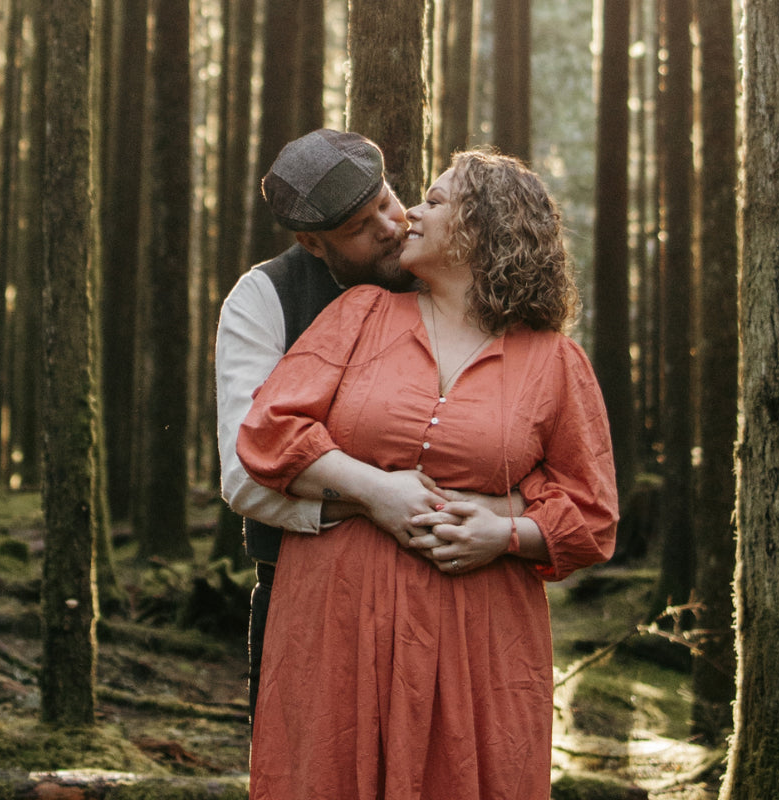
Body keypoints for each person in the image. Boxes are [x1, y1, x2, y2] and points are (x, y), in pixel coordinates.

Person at [236, 148, 619, 799]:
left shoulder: (555, 363)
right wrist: (374, 491)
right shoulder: (360, 315)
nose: (410, 213)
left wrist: (504, 534)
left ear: (483, 228)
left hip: (478, 635)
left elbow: (591, 516)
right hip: (337, 616)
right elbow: (269, 432)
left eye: (435, 201)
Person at [215, 129, 513, 722]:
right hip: (307, 599)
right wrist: (377, 497)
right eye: (358, 226)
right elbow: (244, 476)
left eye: (385, 201)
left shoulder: (450, 270)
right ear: (312, 242)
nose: (389, 226)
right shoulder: (265, 299)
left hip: (455, 601)